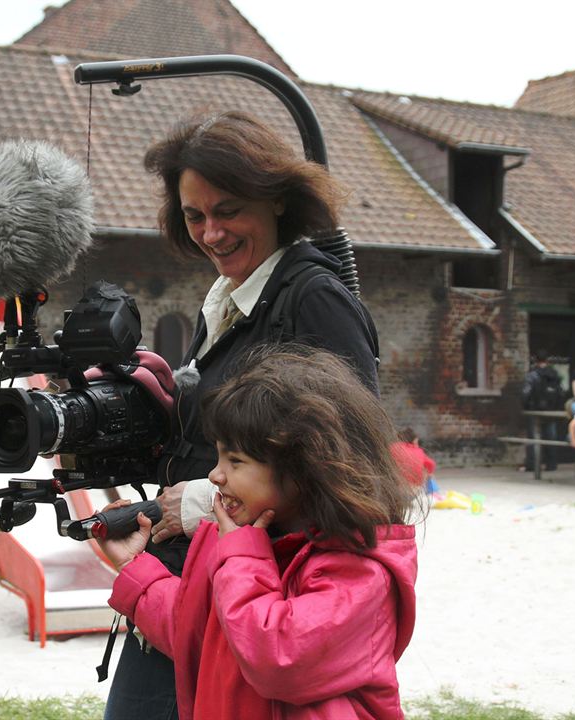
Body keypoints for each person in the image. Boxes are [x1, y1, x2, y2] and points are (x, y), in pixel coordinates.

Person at [103, 111, 381, 719]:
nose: (211, 232)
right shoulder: (229, 299)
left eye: (228, 210)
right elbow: (238, 439)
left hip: (251, 602)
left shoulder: (315, 301)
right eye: (194, 215)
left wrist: (200, 502)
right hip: (194, 587)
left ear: (278, 199)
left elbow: (351, 473)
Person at [97, 347, 418, 720]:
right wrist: (135, 567)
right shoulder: (245, 542)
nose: (216, 475)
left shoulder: (359, 569)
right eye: (218, 457)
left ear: (304, 468)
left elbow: (278, 659)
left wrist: (243, 557)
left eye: (235, 461)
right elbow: (200, 633)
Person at [520, 348, 562, 472]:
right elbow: (560, 392)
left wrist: (526, 406)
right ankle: (552, 464)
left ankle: (533, 464)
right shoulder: (554, 374)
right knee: (551, 437)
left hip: (535, 410)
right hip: (551, 410)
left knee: (533, 437)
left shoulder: (532, 375)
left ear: (535, 360)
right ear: (548, 360)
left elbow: (525, 393)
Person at [391, 427, 439, 494]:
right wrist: (430, 474)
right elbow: (431, 464)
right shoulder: (418, 451)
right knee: (426, 467)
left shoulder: (393, 448)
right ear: (414, 440)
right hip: (416, 487)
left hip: (397, 486)